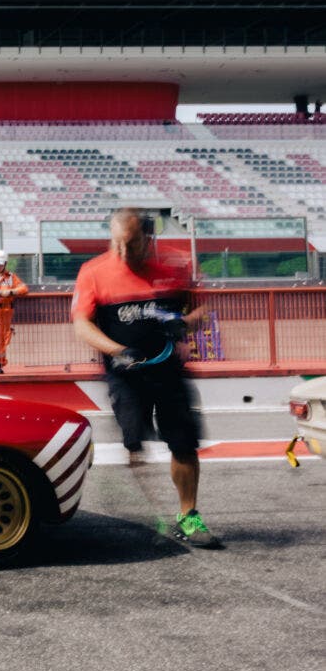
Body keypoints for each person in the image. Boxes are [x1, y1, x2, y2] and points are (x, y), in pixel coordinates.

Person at [71, 208, 221, 548]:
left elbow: (202, 309)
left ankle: (188, 516)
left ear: (148, 238)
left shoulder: (173, 269)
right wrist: (119, 350)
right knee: (134, 445)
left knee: (183, 444)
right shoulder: (93, 272)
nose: (124, 252)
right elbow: (82, 324)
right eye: (118, 244)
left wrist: (185, 323)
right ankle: (149, 514)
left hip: (168, 372)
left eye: (132, 244)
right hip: (126, 375)